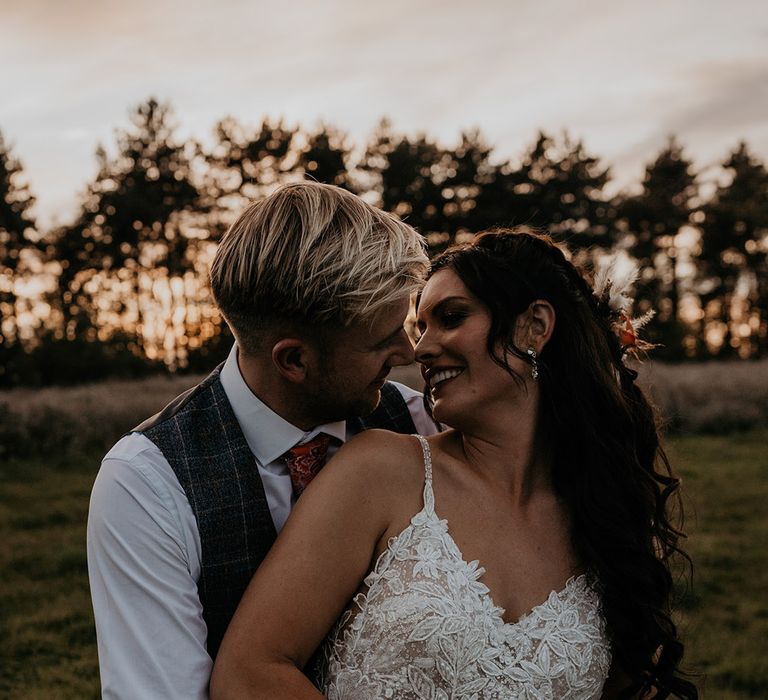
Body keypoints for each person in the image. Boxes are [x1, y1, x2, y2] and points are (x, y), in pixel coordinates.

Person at [210, 228, 697, 699]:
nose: (420, 348)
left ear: (535, 325)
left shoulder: (609, 518)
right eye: (421, 326)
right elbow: (250, 674)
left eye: (451, 317)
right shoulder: (381, 471)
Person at [86, 181, 441, 699]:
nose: (409, 352)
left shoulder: (419, 426)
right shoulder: (146, 485)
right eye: (381, 339)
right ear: (293, 360)